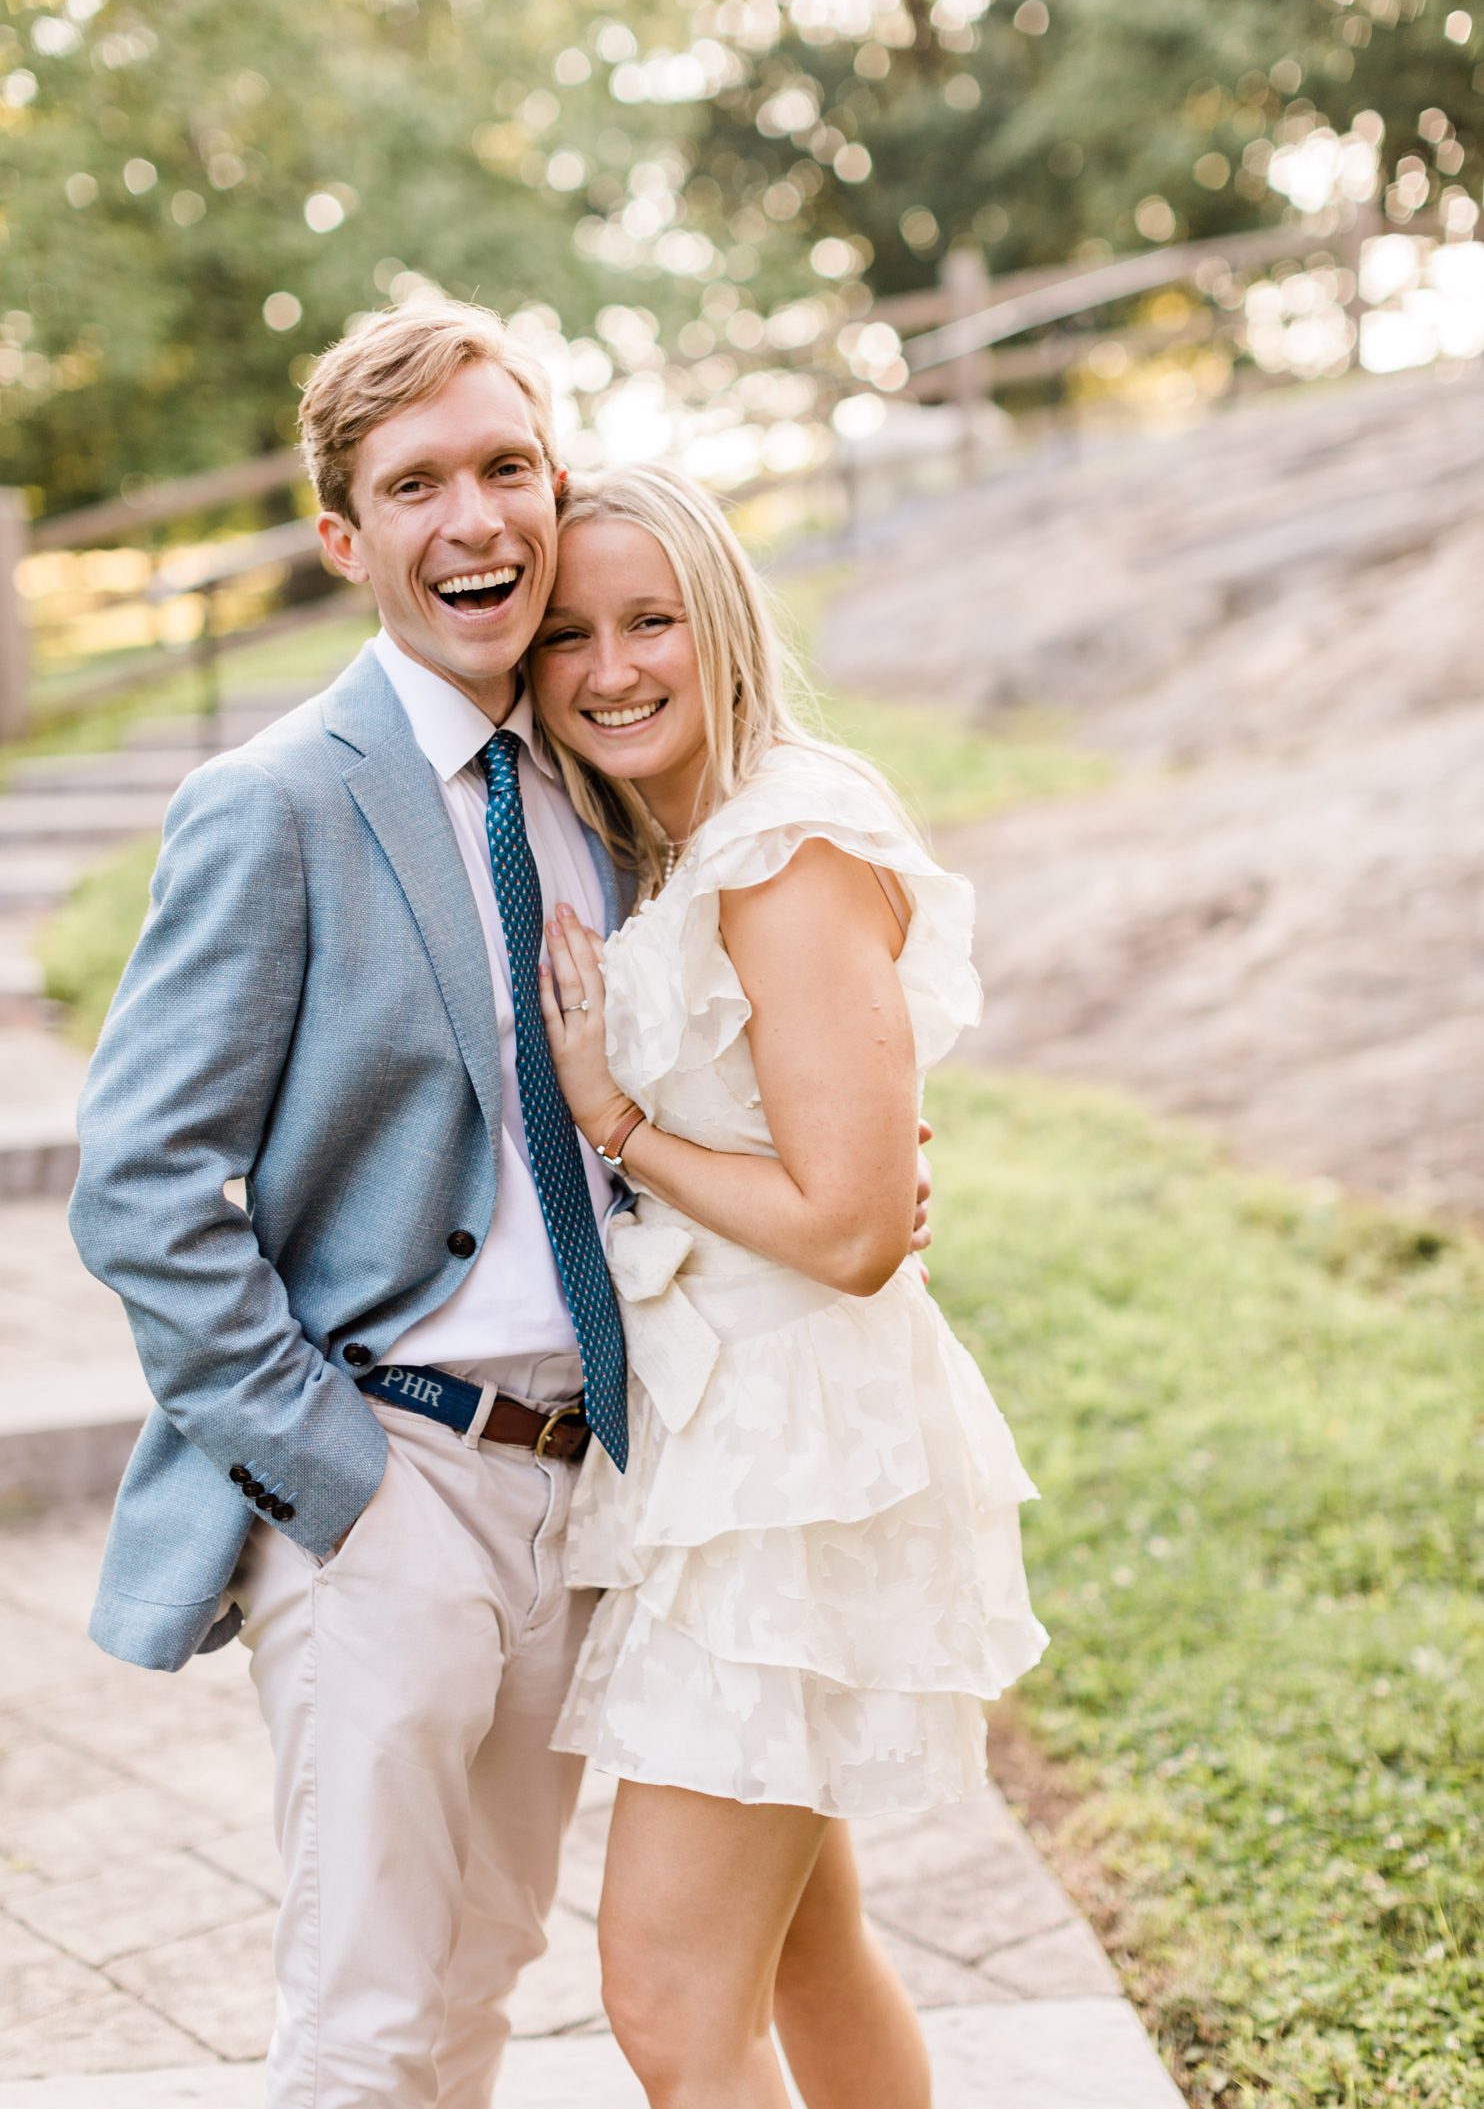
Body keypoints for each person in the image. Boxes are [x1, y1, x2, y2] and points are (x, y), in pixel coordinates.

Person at [67, 295, 931, 2107]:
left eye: (505, 468)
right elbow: (144, 1187)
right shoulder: (274, 803)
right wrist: (332, 1476)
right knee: (367, 2019)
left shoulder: (597, 781)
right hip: (383, 1477)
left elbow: (756, 1045)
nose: (471, 519)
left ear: (550, 487)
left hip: (587, 1479)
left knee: (480, 1986)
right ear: (344, 536)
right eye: (414, 484)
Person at [526, 462, 1048, 2109]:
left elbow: (851, 1225)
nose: (610, 666)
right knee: (805, 1956)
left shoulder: (784, 843)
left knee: (670, 1995)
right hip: (726, 1445)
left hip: (792, 1465)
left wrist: (614, 1119)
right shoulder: (684, 845)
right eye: (566, 634)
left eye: (649, 620)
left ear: (723, 621)